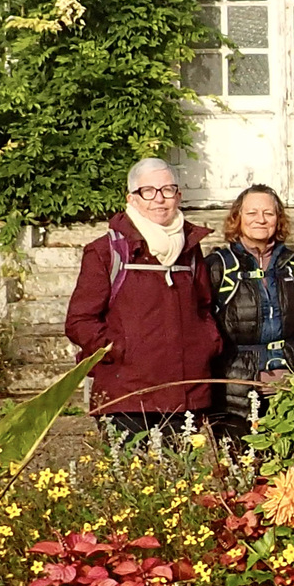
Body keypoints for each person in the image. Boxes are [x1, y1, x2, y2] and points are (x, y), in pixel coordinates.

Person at [65, 159, 224, 435]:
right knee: (130, 476)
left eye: (167, 190)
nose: (159, 200)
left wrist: (207, 344)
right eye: (148, 191)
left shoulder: (190, 250)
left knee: (183, 477)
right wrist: (119, 349)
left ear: (179, 196)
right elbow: (79, 321)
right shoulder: (105, 252)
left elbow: (203, 308)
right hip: (125, 394)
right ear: (132, 199)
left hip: (185, 393)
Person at [205, 184, 294, 442]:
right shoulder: (218, 266)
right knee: (242, 473)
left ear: (278, 219)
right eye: (252, 213)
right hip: (236, 392)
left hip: (290, 386)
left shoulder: (292, 264)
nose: (261, 219)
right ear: (238, 218)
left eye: (268, 213)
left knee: (289, 477)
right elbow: (203, 329)